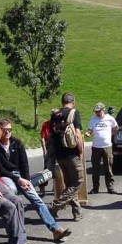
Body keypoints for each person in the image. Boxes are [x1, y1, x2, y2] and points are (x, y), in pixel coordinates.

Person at [0, 118, 72, 242]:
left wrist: (26, 180)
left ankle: (55, 229)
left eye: (10, 129)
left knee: (37, 200)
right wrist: (18, 179)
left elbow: (24, 164)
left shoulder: (17, 143)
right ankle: (16, 236)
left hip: (20, 176)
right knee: (13, 195)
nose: (8, 132)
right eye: (5, 130)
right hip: (6, 176)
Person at [49, 92, 84, 222]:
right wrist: (80, 152)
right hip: (71, 154)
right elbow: (78, 135)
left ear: (62, 101)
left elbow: (51, 134)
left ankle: (77, 213)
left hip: (59, 155)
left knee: (70, 183)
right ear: (73, 101)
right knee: (77, 182)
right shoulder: (74, 113)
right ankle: (55, 207)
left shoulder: (55, 115)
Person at [85, 102, 119, 194]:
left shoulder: (109, 118)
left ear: (103, 110)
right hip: (96, 146)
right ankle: (95, 188)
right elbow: (90, 130)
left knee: (108, 167)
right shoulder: (93, 120)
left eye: (99, 111)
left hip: (107, 146)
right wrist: (88, 133)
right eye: (96, 112)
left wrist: (110, 134)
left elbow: (116, 128)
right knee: (96, 168)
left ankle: (110, 187)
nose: (97, 113)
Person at [38, 109, 58, 197]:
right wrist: (44, 150)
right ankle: (42, 188)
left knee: (58, 170)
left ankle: (56, 186)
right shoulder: (46, 124)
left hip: (58, 150)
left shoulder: (59, 125)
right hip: (49, 149)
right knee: (47, 170)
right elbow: (42, 137)